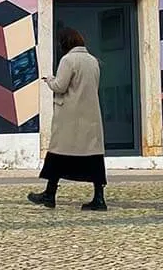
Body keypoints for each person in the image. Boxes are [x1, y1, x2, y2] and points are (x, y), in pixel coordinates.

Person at [27, 27, 107, 211]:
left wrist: (49, 79)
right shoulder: (93, 61)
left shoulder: (68, 60)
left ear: (65, 43)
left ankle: (49, 195)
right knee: (93, 157)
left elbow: (60, 86)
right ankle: (99, 198)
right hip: (90, 116)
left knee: (58, 154)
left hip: (70, 117)